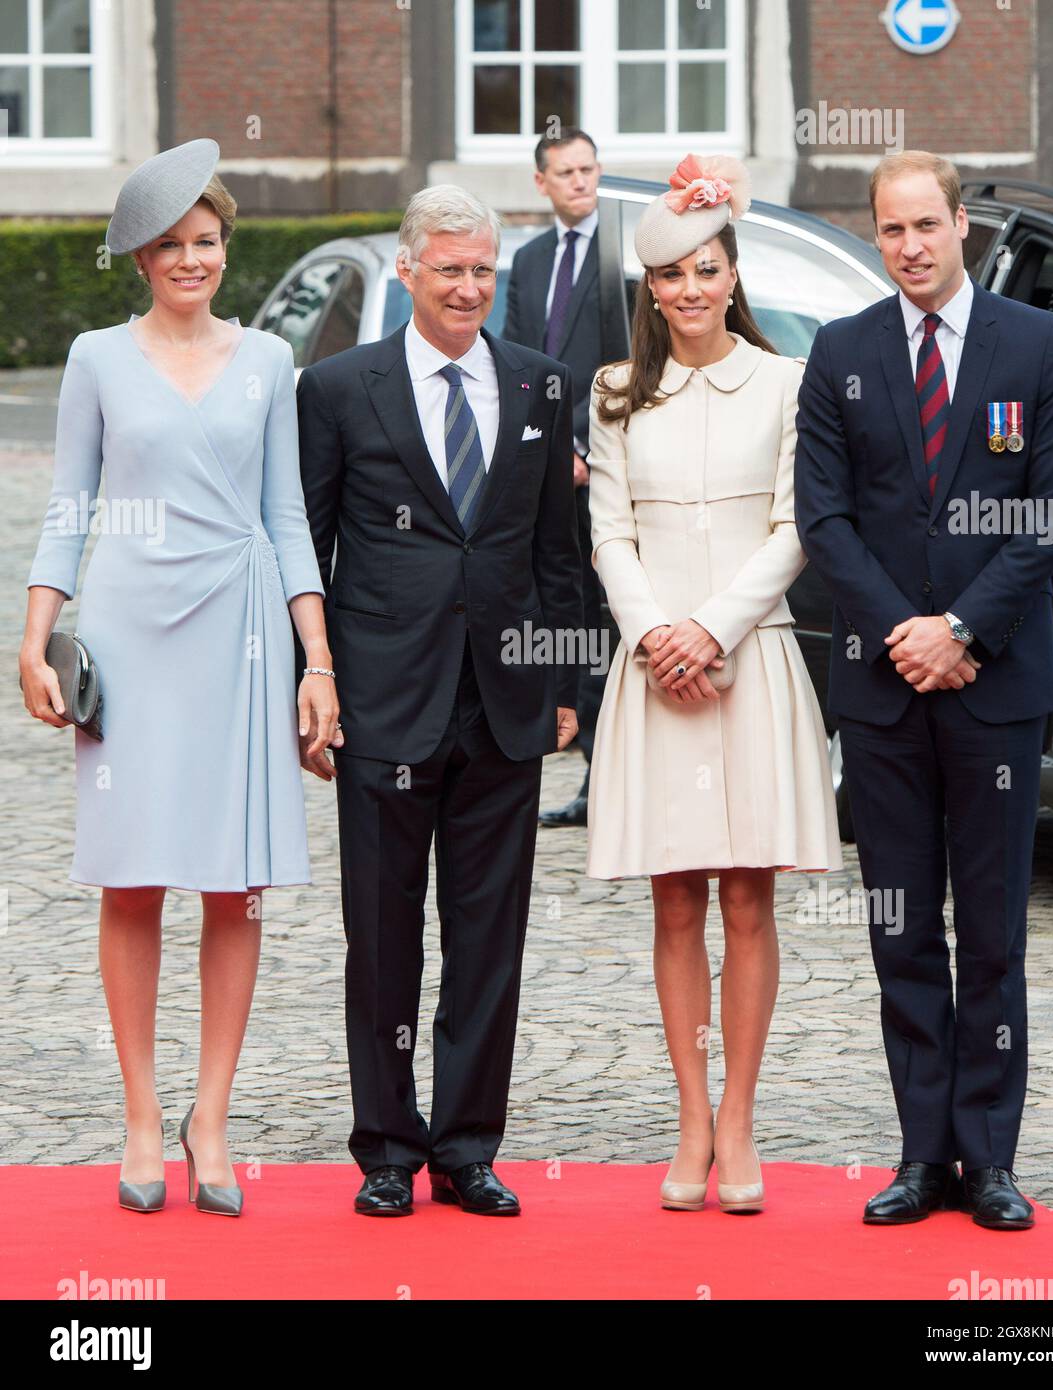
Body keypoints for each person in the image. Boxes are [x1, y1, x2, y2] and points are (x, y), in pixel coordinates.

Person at [19, 139, 337, 1218]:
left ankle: (212, 1115)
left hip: (241, 634)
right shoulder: (95, 358)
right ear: (144, 258)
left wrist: (317, 661)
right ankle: (144, 1113)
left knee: (232, 878)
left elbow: (286, 515)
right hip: (131, 634)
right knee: (132, 874)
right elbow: (70, 506)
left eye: (209, 242)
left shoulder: (268, 364)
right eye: (174, 246)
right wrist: (34, 635)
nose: (195, 260)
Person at [793, 150, 1053, 1230]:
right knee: (904, 929)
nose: (909, 247)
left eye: (925, 225)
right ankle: (924, 1155)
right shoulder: (841, 352)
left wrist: (961, 628)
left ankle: (991, 1158)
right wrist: (905, 636)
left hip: (995, 690)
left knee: (998, 933)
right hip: (883, 697)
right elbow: (824, 518)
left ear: (961, 224)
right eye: (889, 230)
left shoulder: (1040, 345)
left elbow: (1051, 514)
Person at [296, 184, 582, 1217]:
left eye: (483, 271)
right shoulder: (337, 388)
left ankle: (467, 1146)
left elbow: (557, 553)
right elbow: (311, 549)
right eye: (450, 269)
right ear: (410, 269)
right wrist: (314, 677)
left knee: (488, 936)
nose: (468, 288)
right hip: (383, 700)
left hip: (502, 702)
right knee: (381, 936)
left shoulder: (544, 388)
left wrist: (565, 685)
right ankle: (385, 1147)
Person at [586, 155, 842, 1213]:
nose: (692, 290)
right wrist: (658, 638)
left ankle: (742, 1122)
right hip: (657, 674)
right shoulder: (614, 394)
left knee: (748, 896)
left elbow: (796, 529)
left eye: (709, 270)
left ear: (735, 276)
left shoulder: (789, 383)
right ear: (651, 290)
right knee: (673, 899)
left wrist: (714, 630)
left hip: (752, 660)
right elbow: (609, 533)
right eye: (673, 276)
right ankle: (690, 1118)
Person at [503, 128, 628, 827]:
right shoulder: (526, 261)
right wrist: (539, 444)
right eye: (567, 172)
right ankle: (582, 767)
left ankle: (611, 775)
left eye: (589, 170)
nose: (581, 182)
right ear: (542, 182)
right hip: (542, 467)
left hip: (603, 461)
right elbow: (517, 360)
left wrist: (580, 438)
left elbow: (625, 357)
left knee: (607, 615)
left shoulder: (620, 250)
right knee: (563, 616)